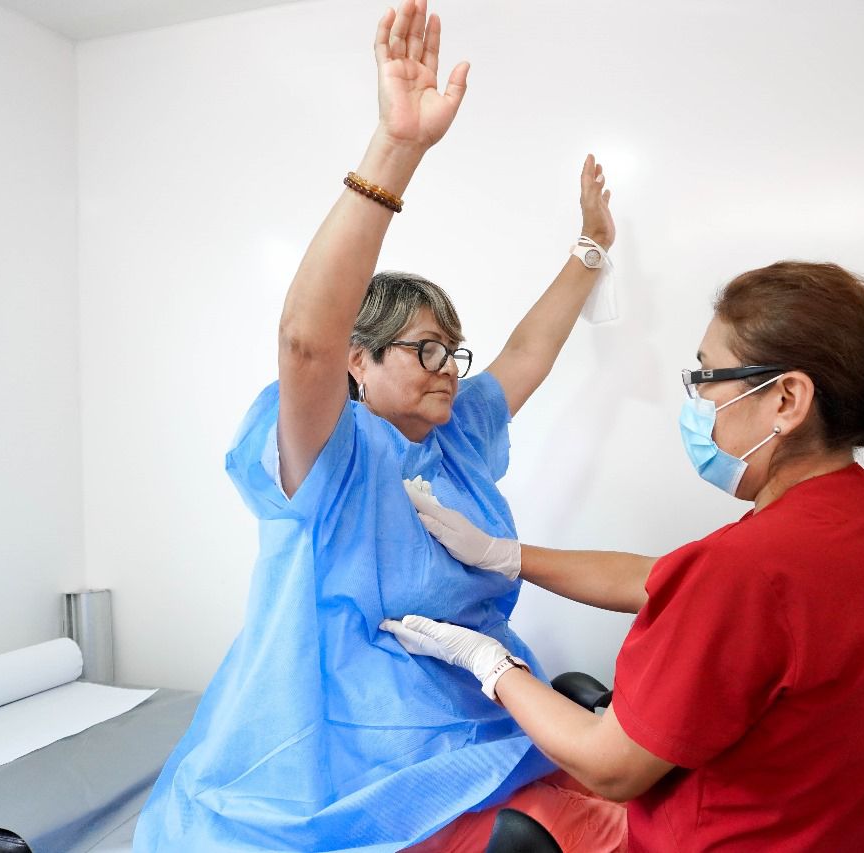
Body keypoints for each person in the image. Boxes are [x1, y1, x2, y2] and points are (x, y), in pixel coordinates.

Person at [133, 1, 628, 850]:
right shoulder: (331, 449)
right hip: (346, 747)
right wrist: (396, 150)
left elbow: (527, 351)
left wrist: (591, 247)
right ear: (358, 361)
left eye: (452, 352)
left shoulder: (457, 435)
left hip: (472, 715)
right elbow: (303, 339)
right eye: (424, 348)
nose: (447, 369)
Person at [385, 261, 864, 851]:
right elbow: (661, 581)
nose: (697, 406)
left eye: (707, 378)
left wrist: (491, 665)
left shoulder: (753, 567)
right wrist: (507, 555)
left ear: (787, 400)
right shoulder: (859, 515)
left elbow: (611, 768)